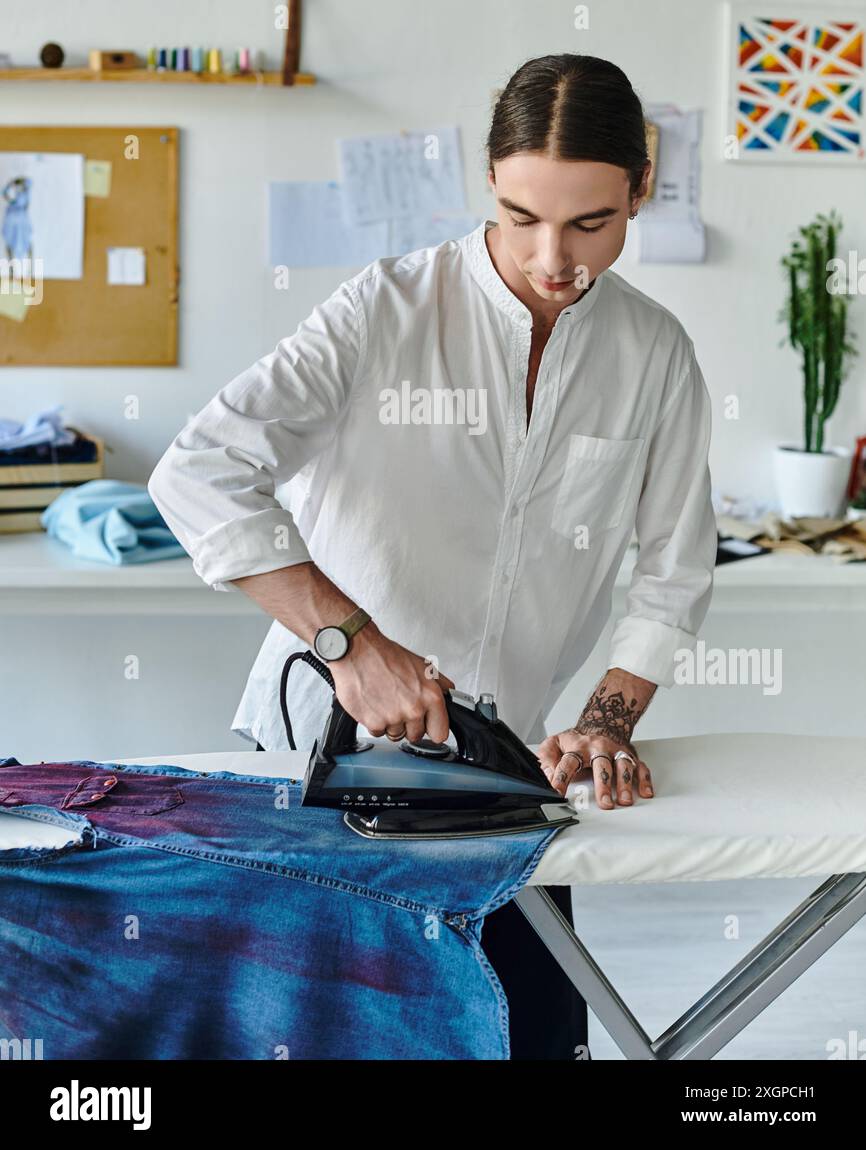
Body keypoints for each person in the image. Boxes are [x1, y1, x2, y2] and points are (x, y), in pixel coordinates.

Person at [148, 53, 717, 1060]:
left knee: (529, 1042)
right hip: (317, 757)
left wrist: (602, 720)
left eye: (591, 223)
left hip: (514, 784)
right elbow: (198, 470)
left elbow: (671, 574)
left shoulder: (655, 354)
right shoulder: (385, 309)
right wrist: (348, 640)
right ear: (487, 181)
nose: (553, 257)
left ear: (640, 185)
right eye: (518, 214)